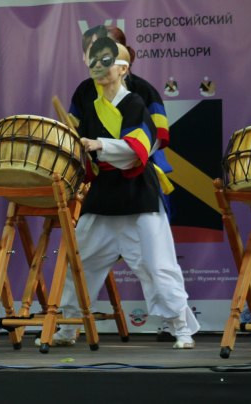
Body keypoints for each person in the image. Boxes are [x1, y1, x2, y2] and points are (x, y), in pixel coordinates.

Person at [55, 37, 199, 349]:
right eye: (94, 62)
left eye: (106, 62)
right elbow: (76, 142)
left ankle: (180, 328)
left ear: (123, 69)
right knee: (81, 260)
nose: (98, 67)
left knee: (157, 263)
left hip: (137, 194)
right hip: (103, 194)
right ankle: (69, 325)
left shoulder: (135, 102)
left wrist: (99, 145)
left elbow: (139, 150)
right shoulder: (89, 102)